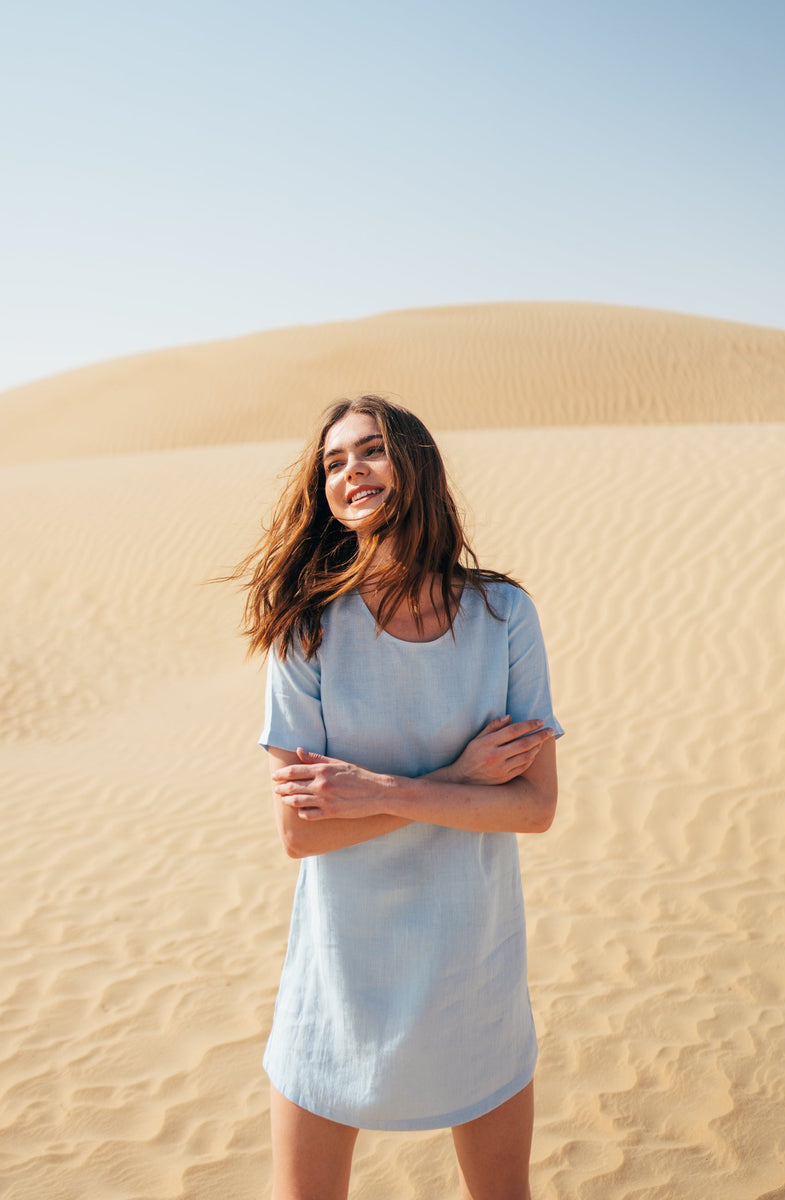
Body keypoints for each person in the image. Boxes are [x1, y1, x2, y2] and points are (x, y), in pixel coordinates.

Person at [234, 395, 564, 1200]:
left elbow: (534, 807)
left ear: (414, 463)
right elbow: (303, 835)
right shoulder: (304, 632)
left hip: (472, 962)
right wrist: (457, 780)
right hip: (342, 972)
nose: (351, 471)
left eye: (371, 451)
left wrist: (373, 792)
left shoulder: (502, 615)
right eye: (334, 462)